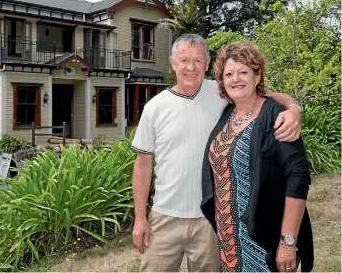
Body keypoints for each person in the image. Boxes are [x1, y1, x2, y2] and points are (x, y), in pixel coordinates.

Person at [131, 34, 303, 272]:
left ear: (208, 63)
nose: (191, 67)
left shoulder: (221, 93)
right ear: (173, 63)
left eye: (198, 60)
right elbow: (142, 165)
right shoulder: (154, 108)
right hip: (165, 218)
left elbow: (264, 97)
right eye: (184, 60)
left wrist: (293, 109)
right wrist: (140, 217)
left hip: (211, 221)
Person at [200, 42, 313, 272]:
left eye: (243, 72)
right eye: (229, 74)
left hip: (262, 240)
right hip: (229, 241)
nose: (236, 79)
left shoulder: (275, 115)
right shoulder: (228, 113)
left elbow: (298, 176)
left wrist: (288, 242)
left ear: (257, 75)